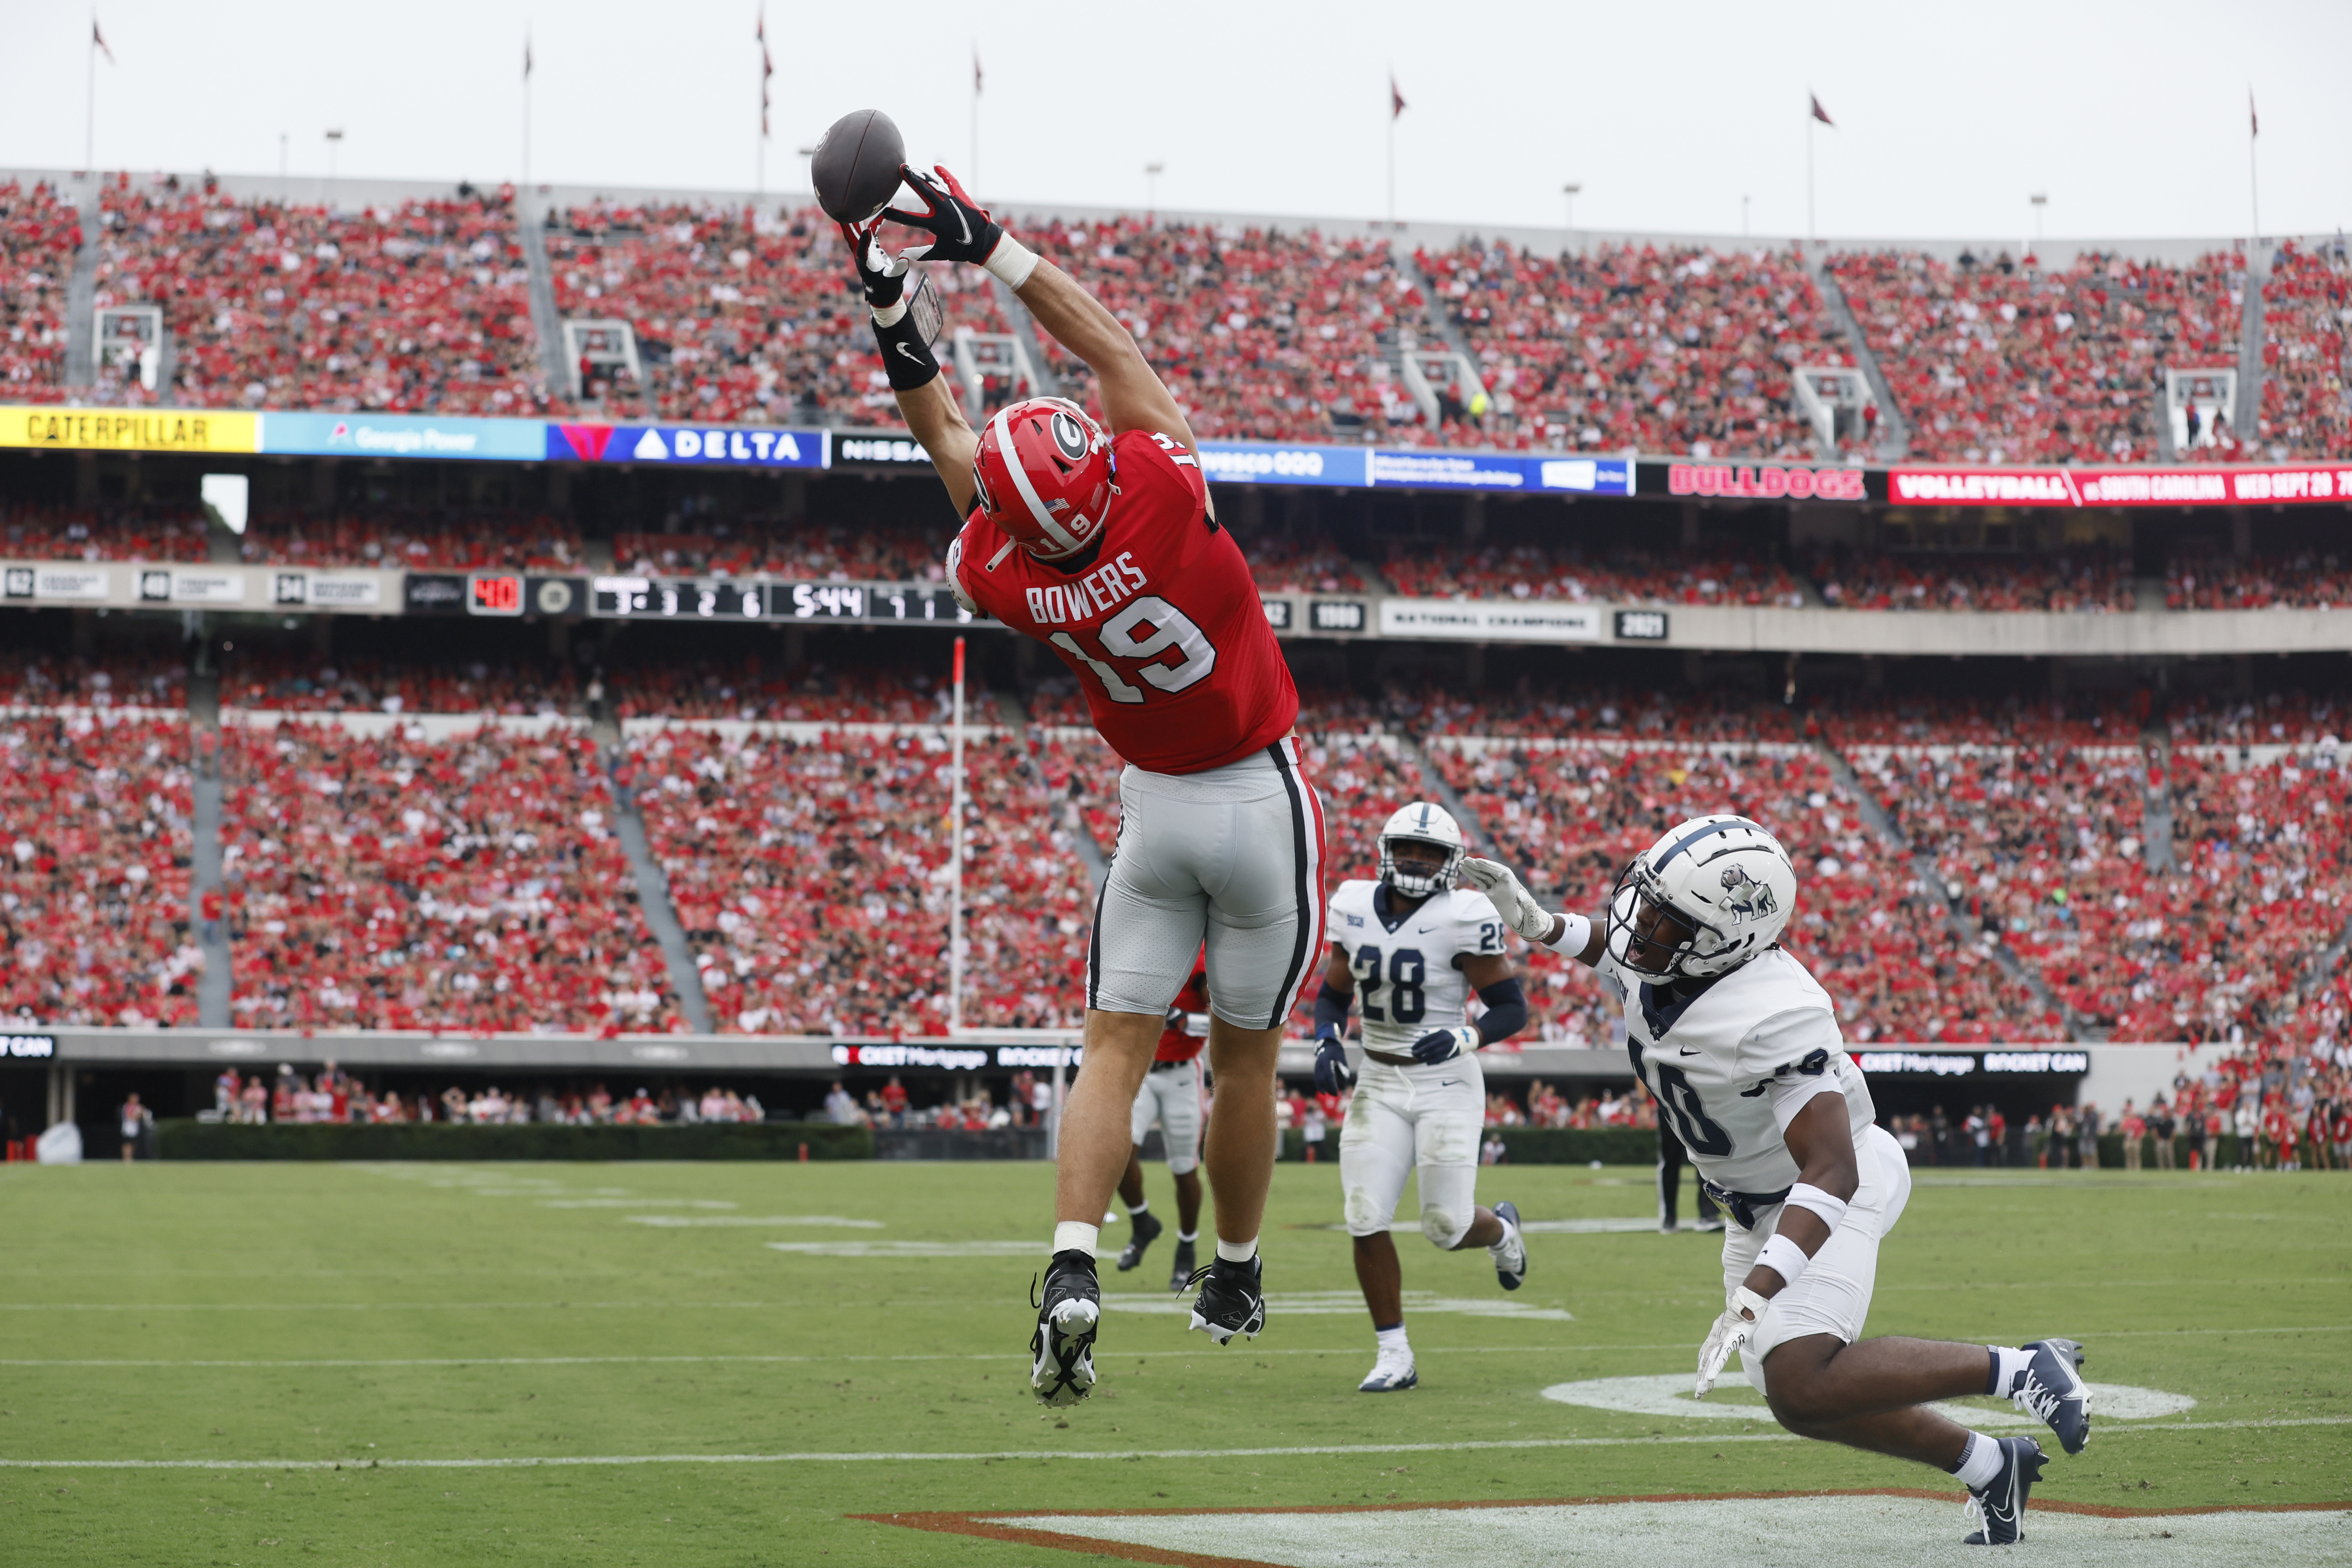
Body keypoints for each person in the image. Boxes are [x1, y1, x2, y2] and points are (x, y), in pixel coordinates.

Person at [842, 165, 1320, 1408]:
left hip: (1153, 814)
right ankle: (1231, 1269)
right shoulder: (1157, 490)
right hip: (1258, 798)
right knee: (1244, 1061)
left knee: (1109, 1047)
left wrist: (894, 321)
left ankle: (1068, 1265)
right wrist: (983, 242)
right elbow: (1106, 342)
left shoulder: (1001, 575)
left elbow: (946, 440)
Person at [1463, 816, 2089, 1545]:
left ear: (1723, 939)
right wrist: (1535, 922)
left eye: (1664, 918)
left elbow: (1831, 1169)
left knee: (1800, 1374)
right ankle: (1988, 1465)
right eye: (1649, 902)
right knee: (1797, 1399)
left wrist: (1756, 1293)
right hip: (1753, 1206)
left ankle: (2022, 1369)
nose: (1640, 925)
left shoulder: (1776, 1013)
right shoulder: (1680, 957)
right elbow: (1612, 945)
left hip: (1828, 1192)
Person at [1311, 802, 1530, 1394]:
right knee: (1363, 1216)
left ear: (1450, 863)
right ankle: (1394, 1353)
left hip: (1447, 1084)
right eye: (1407, 848)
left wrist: (1466, 1034)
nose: (1416, 859)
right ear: (1386, 850)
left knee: (1445, 1226)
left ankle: (1503, 1234)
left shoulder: (1465, 915)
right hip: (1378, 1080)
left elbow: (1511, 1008)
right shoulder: (1353, 905)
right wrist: (1327, 1040)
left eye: (1429, 852)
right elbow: (1332, 996)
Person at [1115, 948, 1209, 1292]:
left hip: (1182, 1075)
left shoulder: (1198, 957)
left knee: (1184, 1169)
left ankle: (1187, 1245)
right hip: (1141, 1067)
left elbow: (1225, 1017)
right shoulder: (1143, 948)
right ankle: (1142, 1222)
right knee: (1120, 1153)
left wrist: (1182, 1019)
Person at [1658, 1118, 1726, 1235]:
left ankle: (1708, 1214)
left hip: (1697, 1104)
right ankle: (1669, 1217)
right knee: (1670, 1159)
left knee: (1705, 1157)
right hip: (1669, 1106)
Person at [118, 1092, 148, 1162]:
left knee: (133, 1145)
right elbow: (131, 1117)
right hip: (128, 1129)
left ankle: (130, 1158)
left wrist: (142, 1112)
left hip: (135, 1130)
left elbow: (143, 1117)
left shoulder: (138, 1107)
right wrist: (138, 1114)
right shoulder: (128, 1106)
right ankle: (126, 1159)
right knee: (127, 1144)